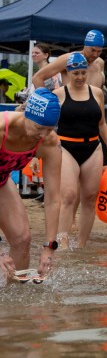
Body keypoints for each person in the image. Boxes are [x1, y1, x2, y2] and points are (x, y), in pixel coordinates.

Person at [54, 52, 107, 249]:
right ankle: (62, 242)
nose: (80, 77)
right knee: (69, 196)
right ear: (68, 73)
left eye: (83, 73)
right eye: (76, 73)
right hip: (66, 147)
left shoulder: (96, 93)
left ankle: (81, 245)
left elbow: (102, 124)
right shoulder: (59, 94)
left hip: (93, 147)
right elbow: (47, 126)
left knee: (90, 197)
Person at [0, 88, 62, 281]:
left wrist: (49, 247)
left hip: (2, 180)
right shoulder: (1, 128)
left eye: (50, 129)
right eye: (38, 128)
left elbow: (52, 198)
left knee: (22, 239)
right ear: (26, 114)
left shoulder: (49, 142)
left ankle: (13, 302)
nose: (43, 135)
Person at [33, 29, 105, 89]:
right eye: (92, 50)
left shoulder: (99, 63)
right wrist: (46, 102)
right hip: (70, 105)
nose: (95, 55)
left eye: (99, 51)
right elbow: (37, 78)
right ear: (85, 46)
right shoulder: (68, 59)